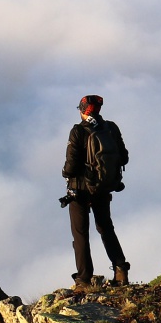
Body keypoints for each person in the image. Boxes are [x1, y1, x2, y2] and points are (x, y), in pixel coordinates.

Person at [61, 94, 129, 288]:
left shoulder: (78, 131)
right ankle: (121, 270)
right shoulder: (111, 128)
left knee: (81, 234)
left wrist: (65, 173)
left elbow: (71, 167)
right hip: (103, 188)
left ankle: (84, 280)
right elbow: (123, 158)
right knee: (106, 229)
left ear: (82, 110)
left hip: (79, 191)